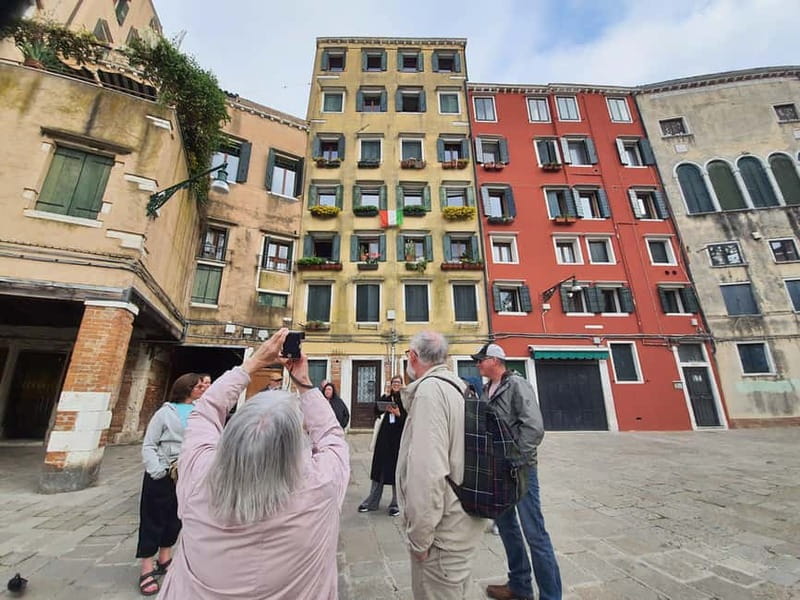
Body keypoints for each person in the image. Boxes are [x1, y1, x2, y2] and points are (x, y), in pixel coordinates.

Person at [157, 329, 350, 599]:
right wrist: (304, 383)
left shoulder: (199, 479)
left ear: (232, 435)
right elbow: (331, 435)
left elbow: (206, 410)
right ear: (296, 445)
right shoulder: (321, 489)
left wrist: (253, 362)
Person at [396, 331, 486, 599]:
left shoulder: (429, 392)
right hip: (463, 522)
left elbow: (427, 474)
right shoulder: (459, 387)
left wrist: (420, 539)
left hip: (442, 535)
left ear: (413, 357)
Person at [472, 343, 561, 600]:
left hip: (519, 470)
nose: (477, 364)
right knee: (507, 528)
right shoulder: (487, 389)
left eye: (481, 360)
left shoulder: (517, 385)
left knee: (535, 533)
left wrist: (515, 459)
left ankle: (551, 596)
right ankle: (519, 587)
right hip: (497, 470)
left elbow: (534, 427)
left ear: (495, 360)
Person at [136, 372, 205, 596]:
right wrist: (156, 470)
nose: (202, 388)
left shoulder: (199, 412)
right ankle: (146, 567)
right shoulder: (164, 413)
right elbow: (149, 444)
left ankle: (165, 558)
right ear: (187, 389)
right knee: (153, 518)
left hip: (185, 475)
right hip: (162, 473)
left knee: (176, 517)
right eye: (198, 386)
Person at [358, 375, 406, 516]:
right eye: (394, 382)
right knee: (378, 472)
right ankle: (372, 502)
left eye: (398, 382)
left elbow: (409, 420)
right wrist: (384, 398)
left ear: (402, 384)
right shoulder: (386, 396)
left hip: (398, 441)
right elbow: (376, 411)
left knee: (396, 473)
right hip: (384, 440)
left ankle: (396, 504)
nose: (396, 384)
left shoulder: (405, 399)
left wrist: (398, 414)